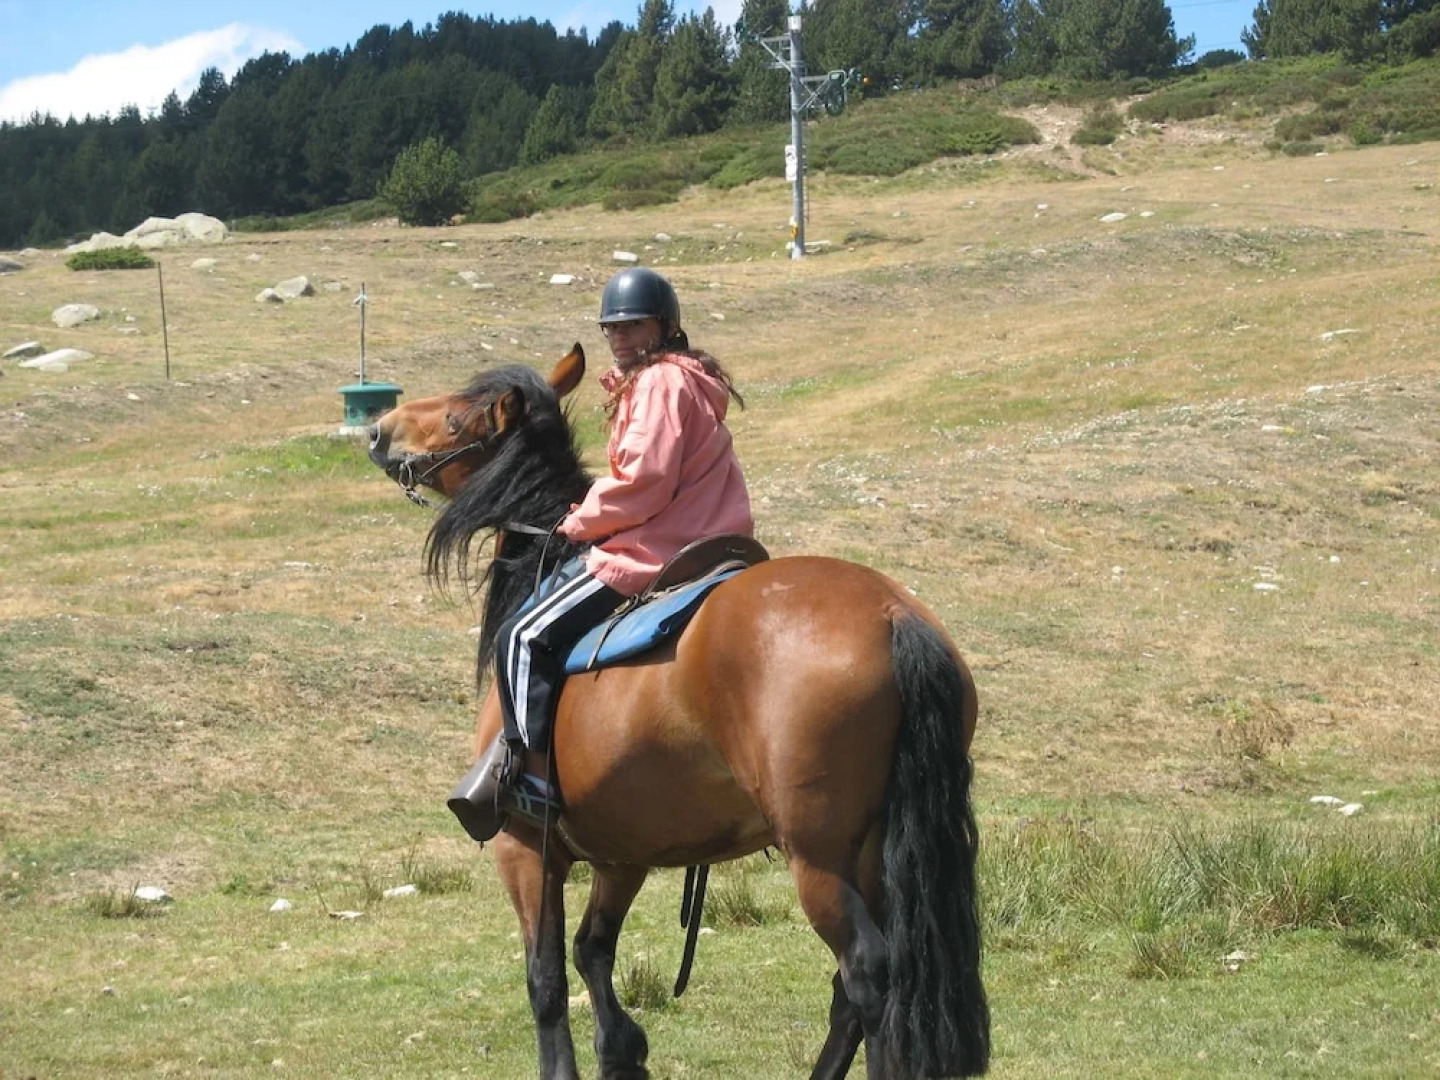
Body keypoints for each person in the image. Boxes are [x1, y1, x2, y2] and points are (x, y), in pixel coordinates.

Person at [448, 267, 753, 842]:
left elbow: (645, 481)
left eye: (633, 325)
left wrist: (579, 520)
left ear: (665, 326)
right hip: (714, 540)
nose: (620, 337)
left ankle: (530, 780)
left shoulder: (659, 382)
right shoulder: (688, 382)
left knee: (521, 635)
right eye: (612, 328)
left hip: (656, 550)